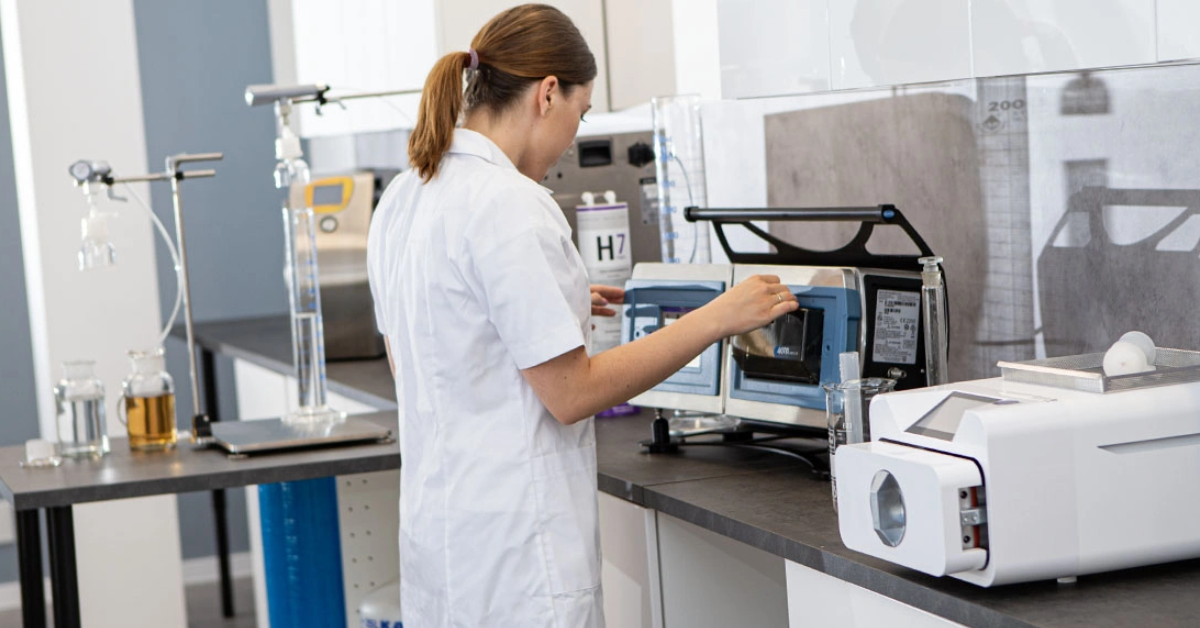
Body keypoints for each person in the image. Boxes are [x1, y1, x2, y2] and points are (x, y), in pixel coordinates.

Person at [366, 4, 798, 626]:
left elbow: (424, 359)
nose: (575, 133)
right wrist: (715, 317)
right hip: (518, 561)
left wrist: (551, 303)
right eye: (582, 111)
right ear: (548, 93)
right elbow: (571, 393)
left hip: (444, 551)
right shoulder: (509, 205)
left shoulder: (406, 194)